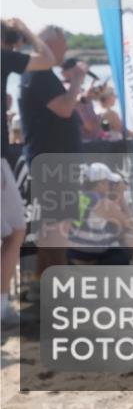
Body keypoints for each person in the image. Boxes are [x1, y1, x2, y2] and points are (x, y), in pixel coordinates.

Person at [18, 26, 85, 276]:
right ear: (48, 44)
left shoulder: (34, 73)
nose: (66, 49)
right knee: (56, 231)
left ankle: (42, 285)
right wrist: (77, 80)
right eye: (63, 44)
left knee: (50, 230)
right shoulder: (41, 75)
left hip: (48, 159)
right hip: (54, 163)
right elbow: (65, 109)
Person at [1, 18, 55, 326]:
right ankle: (2, 308)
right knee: (17, 229)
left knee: (11, 231)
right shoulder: (3, 55)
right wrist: (27, 31)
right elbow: (47, 59)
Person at [66, 162, 133, 265]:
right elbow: (130, 225)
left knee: (119, 232)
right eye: (109, 183)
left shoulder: (81, 196)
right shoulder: (102, 202)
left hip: (73, 254)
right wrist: (121, 196)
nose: (110, 186)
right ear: (100, 183)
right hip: (94, 258)